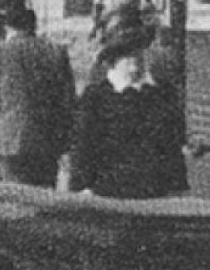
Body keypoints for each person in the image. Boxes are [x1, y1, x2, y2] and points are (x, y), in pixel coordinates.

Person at [68, 22, 188, 199]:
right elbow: (84, 145)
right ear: (113, 62)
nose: (135, 64)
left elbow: (171, 145)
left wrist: (177, 185)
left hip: (155, 194)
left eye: (138, 56)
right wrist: (82, 186)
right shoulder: (96, 97)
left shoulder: (159, 94)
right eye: (127, 58)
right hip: (108, 193)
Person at [0, 5, 75, 187]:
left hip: (8, 143)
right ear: (34, 26)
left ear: (6, 27)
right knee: (45, 201)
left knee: (15, 203)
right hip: (46, 144)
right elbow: (68, 102)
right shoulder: (56, 52)